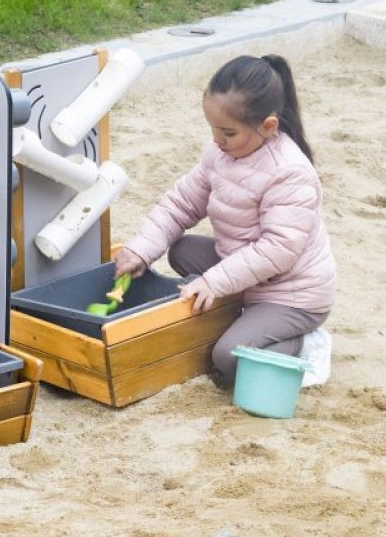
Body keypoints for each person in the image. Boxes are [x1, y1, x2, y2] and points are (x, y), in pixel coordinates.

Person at [115, 54, 335, 387]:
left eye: (228, 133)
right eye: (213, 129)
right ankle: (243, 315)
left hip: (290, 294)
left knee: (228, 359)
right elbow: (182, 202)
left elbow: (278, 250)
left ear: (268, 126)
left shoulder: (289, 172)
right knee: (181, 250)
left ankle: (307, 343)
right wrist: (141, 250)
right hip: (246, 271)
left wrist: (214, 282)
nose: (217, 140)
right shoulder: (221, 153)